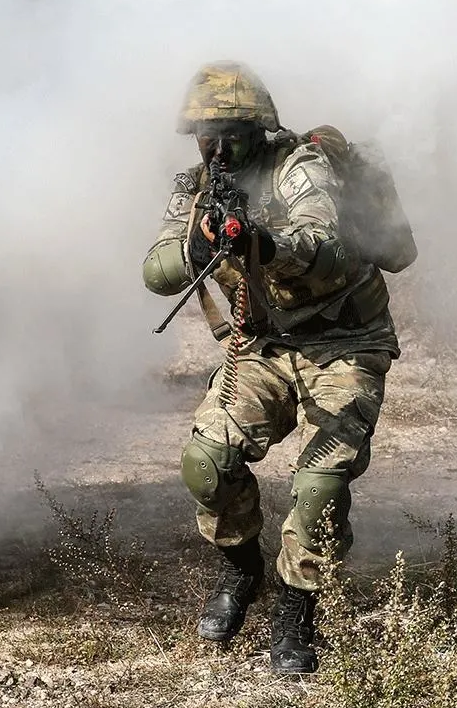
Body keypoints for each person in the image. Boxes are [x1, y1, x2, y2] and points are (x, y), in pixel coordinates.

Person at [142, 60, 413, 672]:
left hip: (345, 341)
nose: (216, 147)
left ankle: (296, 610)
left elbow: (323, 242)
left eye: (229, 133)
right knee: (207, 463)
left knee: (320, 484)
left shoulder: (300, 168)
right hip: (263, 348)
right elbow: (156, 272)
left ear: (258, 128)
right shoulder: (194, 186)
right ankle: (242, 571)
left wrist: (266, 245)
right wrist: (199, 245)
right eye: (205, 135)